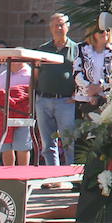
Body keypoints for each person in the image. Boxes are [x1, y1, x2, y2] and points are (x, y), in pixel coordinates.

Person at [35, 13, 79, 167]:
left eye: (61, 25)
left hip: (66, 101)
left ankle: (69, 174)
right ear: (50, 28)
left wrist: (76, 94)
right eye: (55, 25)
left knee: (69, 141)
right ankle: (52, 174)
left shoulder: (76, 49)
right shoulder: (43, 49)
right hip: (43, 100)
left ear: (68, 26)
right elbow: (35, 75)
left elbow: (83, 73)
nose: (58, 28)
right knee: (47, 143)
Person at [0, 59, 34, 166]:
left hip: (24, 115)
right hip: (3, 116)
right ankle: (8, 173)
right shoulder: (3, 74)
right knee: (6, 147)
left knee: (22, 146)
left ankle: (23, 173)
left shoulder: (30, 74)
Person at [74, 26, 112, 114]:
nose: (105, 33)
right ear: (92, 33)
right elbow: (76, 72)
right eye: (101, 31)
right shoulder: (80, 48)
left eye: (107, 30)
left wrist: (101, 87)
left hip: (107, 100)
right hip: (84, 100)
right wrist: (89, 87)